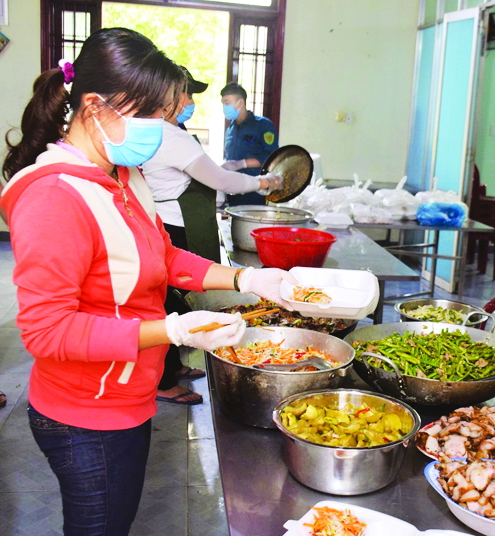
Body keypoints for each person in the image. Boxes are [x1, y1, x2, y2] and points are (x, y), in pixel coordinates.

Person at [1, 28, 295, 535]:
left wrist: (249, 278)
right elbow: (48, 333)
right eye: (150, 114)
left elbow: (161, 254)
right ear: (95, 106)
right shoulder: (55, 197)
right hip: (85, 416)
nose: (160, 128)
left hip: (130, 395)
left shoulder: (121, 172)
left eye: (164, 114)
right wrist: (173, 331)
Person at [142, 66, 281, 404]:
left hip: (175, 220)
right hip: (176, 223)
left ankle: (173, 367)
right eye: (187, 94)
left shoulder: (172, 130)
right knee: (171, 300)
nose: (190, 102)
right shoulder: (168, 135)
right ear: (170, 96)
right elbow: (222, 179)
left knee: (174, 296)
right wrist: (264, 182)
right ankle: (162, 380)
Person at [220, 82, 278, 206]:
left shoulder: (262, 125)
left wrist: (240, 164)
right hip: (233, 192)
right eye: (223, 104)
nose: (224, 107)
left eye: (227, 103)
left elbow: (271, 158)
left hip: (255, 193)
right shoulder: (231, 129)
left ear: (240, 102)